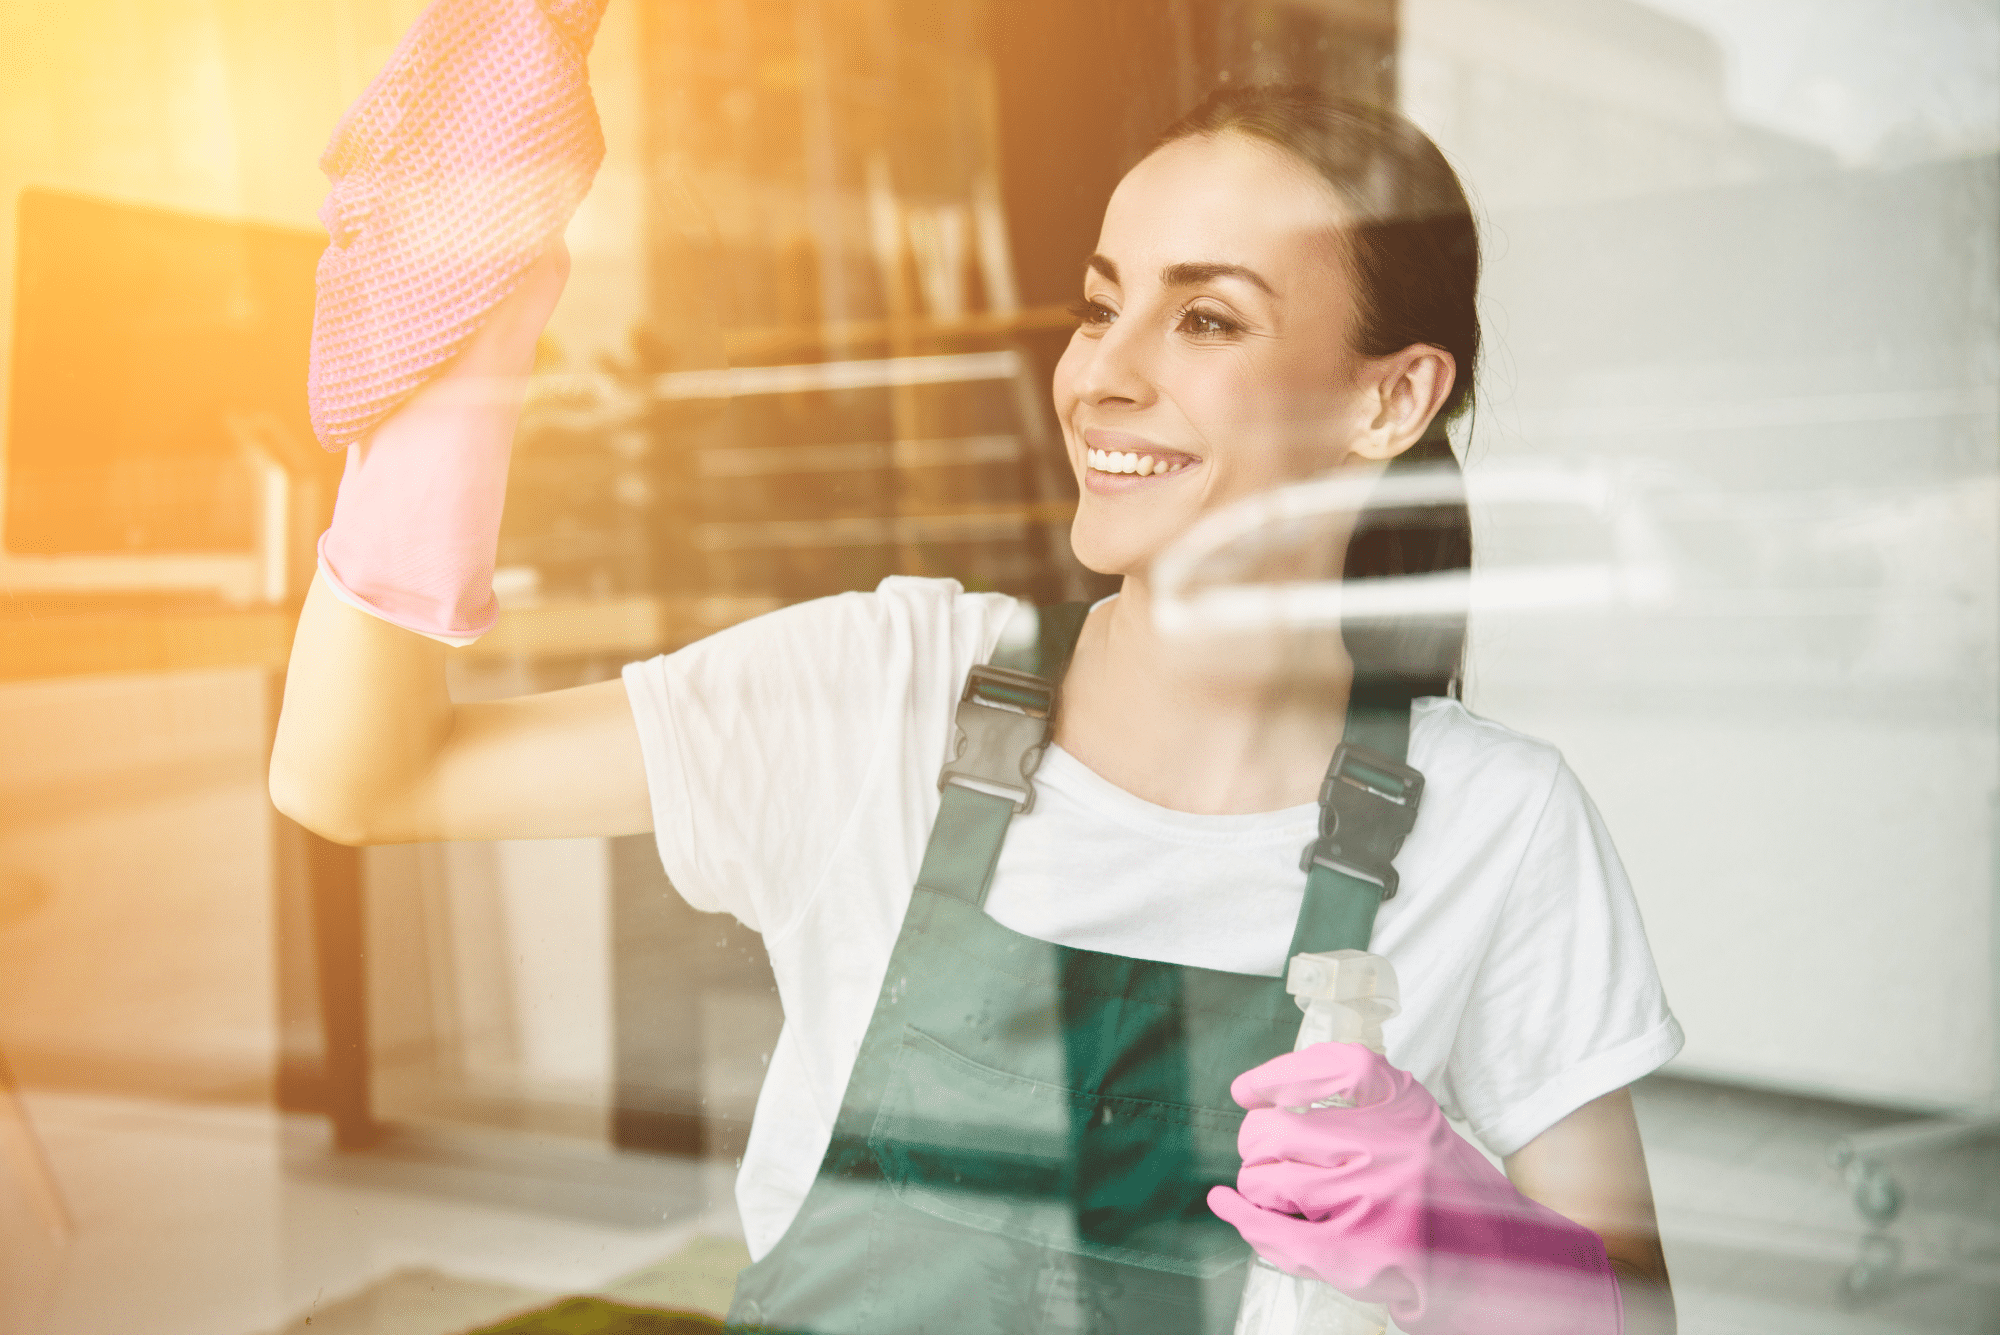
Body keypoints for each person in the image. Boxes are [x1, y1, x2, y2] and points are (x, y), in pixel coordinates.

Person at [273, 85, 1681, 1334]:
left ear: (1392, 401)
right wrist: (470, 362)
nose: (1100, 373)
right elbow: (366, 778)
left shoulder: (1494, 821)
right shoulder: (883, 693)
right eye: (1097, 302)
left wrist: (1465, 1242)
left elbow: (1640, 1313)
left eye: (1204, 316)